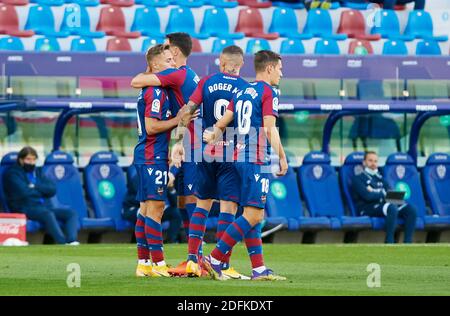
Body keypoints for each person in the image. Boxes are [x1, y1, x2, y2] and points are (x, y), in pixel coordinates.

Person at [203, 50, 288, 281]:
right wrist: (282, 156)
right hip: (256, 158)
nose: (281, 73)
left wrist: (210, 137)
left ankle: (259, 269)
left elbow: (221, 123)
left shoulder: (242, 91)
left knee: (251, 212)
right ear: (269, 68)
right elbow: (270, 128)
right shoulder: (269, 91)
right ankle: (215, 257)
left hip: (237, 157)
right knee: (254, 214)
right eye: (279, 69)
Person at [175, 45, 250, 279]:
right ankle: (222, 264)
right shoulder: (244, 87)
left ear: (221, 62)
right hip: (231, 153)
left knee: (202, 204)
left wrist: (178, 140)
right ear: (240, 64)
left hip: (205, 151)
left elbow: (188, 110)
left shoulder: (207, 81)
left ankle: (191, 260)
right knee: (229, 207)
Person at [131, 32, 200, 276]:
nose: (172, 63)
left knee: (146, 209)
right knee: (156, 208)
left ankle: (144, 264)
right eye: (167, 60)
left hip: (151, 153)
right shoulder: (156, 91)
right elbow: (151, 127)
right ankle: (159, 265)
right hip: (151, 154)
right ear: (155, 65)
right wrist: (177, 120)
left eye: (173, 59)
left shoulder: (157, 88)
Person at [3, 146, 79, 245]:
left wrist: (34, 186)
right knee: (48, 214)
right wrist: (41, 191)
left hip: (40, 206)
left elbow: (52, 189)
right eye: (28, 159)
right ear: (21, 160)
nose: (31, 162)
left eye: (34, 159)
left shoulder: (38, 172)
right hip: (23, 207)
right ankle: (62, 242)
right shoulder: (12, 173)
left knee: (71, 213)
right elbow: (23, 192)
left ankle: (72, 241)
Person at [352, 151, 417, 243]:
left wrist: (378, 193)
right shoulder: (358, 178)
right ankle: (389, 242)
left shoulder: (380, 178)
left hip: (383, 205)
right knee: (392, 208)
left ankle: (407, 243)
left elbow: (395, 197)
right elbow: (368, 197)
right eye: (370, 161)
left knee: (411, 209)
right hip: (367, 208)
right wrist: (383, 194)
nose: (373, 164)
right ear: (364, 162)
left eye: (375, 161)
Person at [122, 171, 182, 244]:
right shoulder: (140, 176)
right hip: (134, 208)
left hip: (154, 208)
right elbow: (142, 199)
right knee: (149, 212)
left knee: (175, 212)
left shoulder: (163, 177)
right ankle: (145, 241)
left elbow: (175, 204)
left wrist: (171, 187)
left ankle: (172, 241)